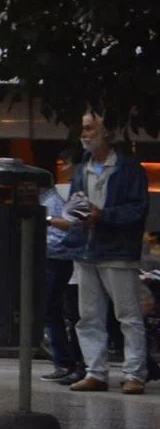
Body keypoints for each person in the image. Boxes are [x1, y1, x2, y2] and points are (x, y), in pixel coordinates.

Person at [65, 106, 148, 395]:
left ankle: (134, 373)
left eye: (90, 128)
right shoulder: (83, 168)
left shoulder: (128, 169)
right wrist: (77, 218)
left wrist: (103, 216)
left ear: (107, 133)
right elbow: (75, 205)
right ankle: (96, 371)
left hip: (116, 251)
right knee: (89, 316)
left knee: (128, 314)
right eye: (84, 128)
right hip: (88, 250)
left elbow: (138, 210)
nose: (84, 134)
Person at [40, 174, 87, 386]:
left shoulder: (50, 203)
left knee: (53, 310)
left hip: (56, 261)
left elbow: (63, 235)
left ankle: (66, 362)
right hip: (58, 261)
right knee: (55, 310)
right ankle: (67, 361)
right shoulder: (49, 201)